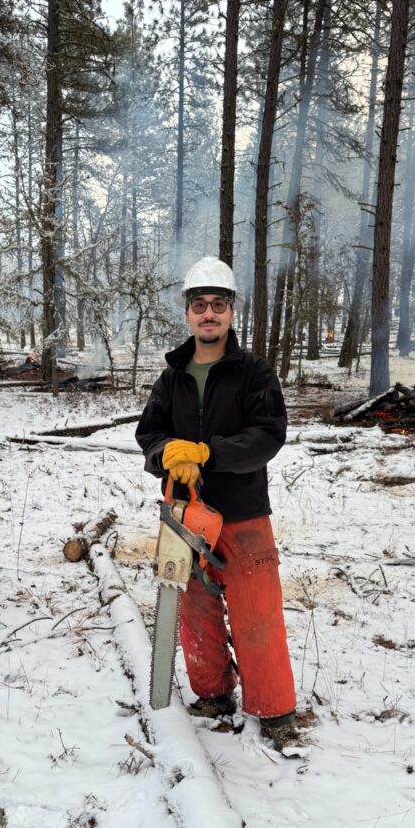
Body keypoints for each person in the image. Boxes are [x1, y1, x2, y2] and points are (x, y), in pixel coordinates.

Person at [135, 256, 300, 752]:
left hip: (244, 512)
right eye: (200, 306)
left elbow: (268, 435)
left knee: (258, 613)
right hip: (185, 515)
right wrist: (168, 453)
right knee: (193, 609)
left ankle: (274, 711)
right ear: (188, 313)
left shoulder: (254, 373)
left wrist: (210, 454)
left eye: (218, 306)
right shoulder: (172, 376)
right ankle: (212, 695)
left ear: (232, 313)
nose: (209, 314)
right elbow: (148, 433)